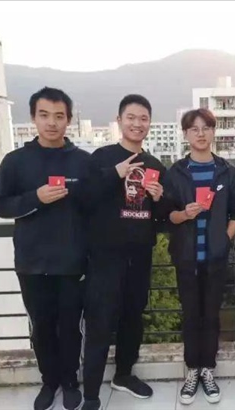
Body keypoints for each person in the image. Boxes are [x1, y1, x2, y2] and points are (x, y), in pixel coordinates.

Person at [0, 87, 89, 410]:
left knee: (71, 327)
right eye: (44, 115)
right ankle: (49, 381)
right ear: (33, 117)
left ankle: (70, 380)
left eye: (59, 116)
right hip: (32, 262)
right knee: (42, 327)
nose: (52, 123)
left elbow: (95, 206)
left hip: (72, 263)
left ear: (69, 120)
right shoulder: (16, 162)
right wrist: (35, 198)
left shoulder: (82, 162)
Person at [82, 94, 167, 410]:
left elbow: (162, 217)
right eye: (131, 117)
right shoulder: (102, 157)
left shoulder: (155, 165)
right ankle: (91, 394)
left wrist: (159, 198)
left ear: (149, 123)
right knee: (100, 322)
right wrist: (115, 173)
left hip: (140, 256)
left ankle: (124, 375)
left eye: (143, 118)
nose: (137, 123)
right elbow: (84, 198)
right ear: (119, 121)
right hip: (105, 258)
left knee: (133, 318)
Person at [163, 109, 235, 405]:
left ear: (213, 132)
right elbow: (166, 216)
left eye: (206, 128)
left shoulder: (227, 172)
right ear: (185, 134)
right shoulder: (175, 172)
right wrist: (184, 214)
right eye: (194, 129)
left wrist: (225, 238)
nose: (200, 133)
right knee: (190, 316)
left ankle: (208, 370)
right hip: (186, 256)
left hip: (215, 257)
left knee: (211, 316)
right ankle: (192, 371)